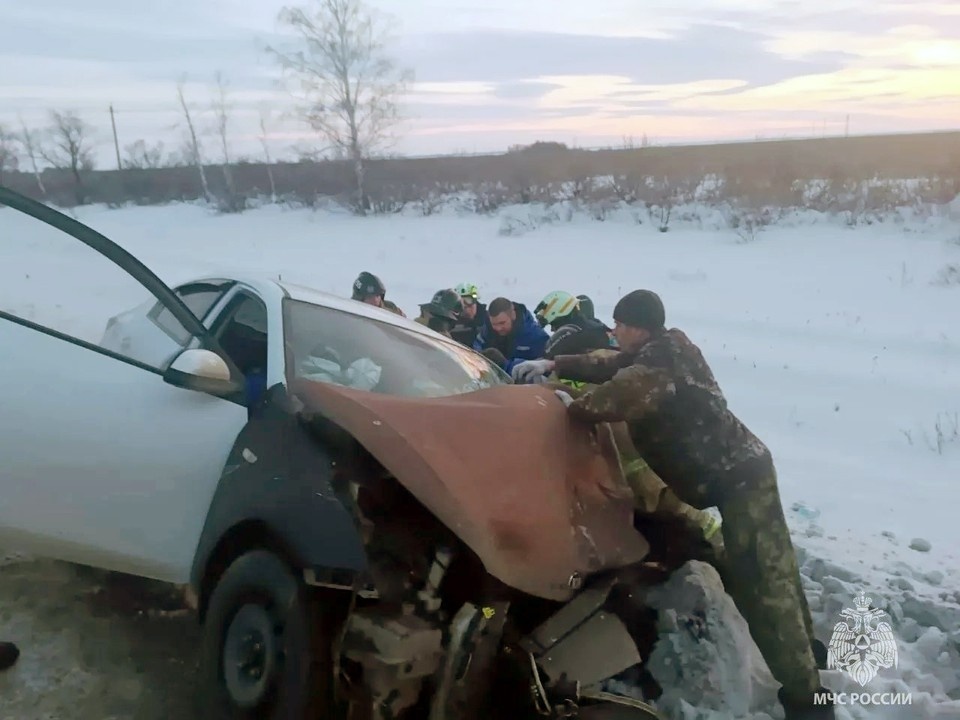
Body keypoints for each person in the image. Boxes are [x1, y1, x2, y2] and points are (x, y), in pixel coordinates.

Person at [511, 289, 833, 720]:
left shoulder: (655, 370)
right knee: (778, 567)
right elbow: (611, 364)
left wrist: (570, 406)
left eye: (621, 324)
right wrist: (556, 365)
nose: (615, 330)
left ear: (638, 328)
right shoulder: (666, 347)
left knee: (765, 585)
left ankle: (807, 697)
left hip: (739, 481)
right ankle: (807, 649)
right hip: (745, 470)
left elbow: (617, 395)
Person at [472, 297, 548, 374]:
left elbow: (542, 367)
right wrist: (480, 355)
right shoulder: (487, 328)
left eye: (502, 323)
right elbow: (477, 343)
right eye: (494, 324)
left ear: (513, 315)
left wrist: (504, 364)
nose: (498, 328)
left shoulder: (536, 336)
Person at [533, 290, 613, 349]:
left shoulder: (570, 335)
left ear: (561, 318)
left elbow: (547, 356)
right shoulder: (597, 329)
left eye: (553, 324)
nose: (552, 330)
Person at [450, 282, 488, 347]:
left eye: (468, 302)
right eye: (461, 304)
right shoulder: (450, 323)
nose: (466, 309)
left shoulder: (488, 322)